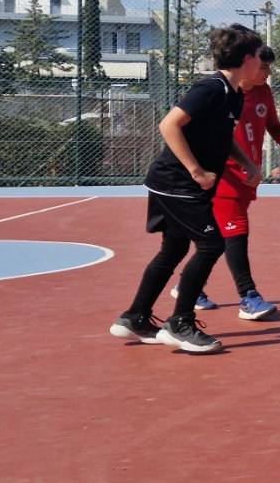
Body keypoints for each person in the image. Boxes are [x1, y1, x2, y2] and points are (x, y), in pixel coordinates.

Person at [110, 26, 266, 354]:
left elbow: (222, 139)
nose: (263, 63)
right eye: (259, 57)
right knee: (211, 245)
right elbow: (168, 125)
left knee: (174, 250)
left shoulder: (234, 94)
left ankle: (135, 317)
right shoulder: (210, 88)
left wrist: (247, 164)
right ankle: (180, 323)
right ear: (248, 58)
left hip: (178, 185)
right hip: (177, 183)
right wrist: (196, 171)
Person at [173, 34, 280, 319]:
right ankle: (248, 296)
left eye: (269, 68)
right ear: (248, 65)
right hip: (225, 177)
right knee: (236, 233)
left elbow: (273, 125)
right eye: (263, 67)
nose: (267, 73)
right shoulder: (223, 94)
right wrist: (198, 168)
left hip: (248, 175)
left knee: (220, 236)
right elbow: (194, 131)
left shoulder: (263, 93)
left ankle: (189, 285)